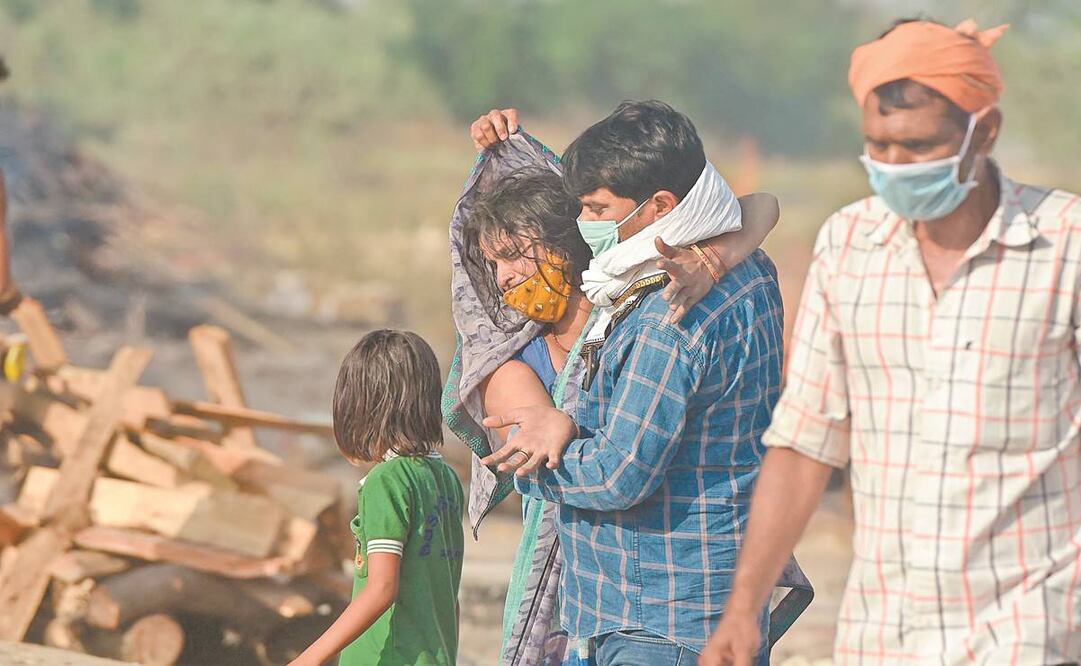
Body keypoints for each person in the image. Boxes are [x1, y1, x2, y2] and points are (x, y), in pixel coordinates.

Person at [701, 18, 1081, 666]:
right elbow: (804, 442)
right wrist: (742, 609)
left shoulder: (1063, 245)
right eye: (878, 146)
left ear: (982, 132)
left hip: (1031, 624)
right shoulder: (849, 245)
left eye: (918, 146)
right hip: (884, 629)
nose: (894, 167)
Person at [477, 101, 787, 666]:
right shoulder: (747, 267)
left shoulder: (666, 317)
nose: (585, 225)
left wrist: (539, 452)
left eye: (597, 209)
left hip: (657, 615)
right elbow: (756, 209)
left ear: (661, 206)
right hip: (715, 597)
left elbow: (619, 475)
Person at [291, 330, 464, 666]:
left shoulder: (386, 481)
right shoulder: (446, 480)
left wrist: (308, 659)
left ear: (363, 407)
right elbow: (448, 593)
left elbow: (381, 590)